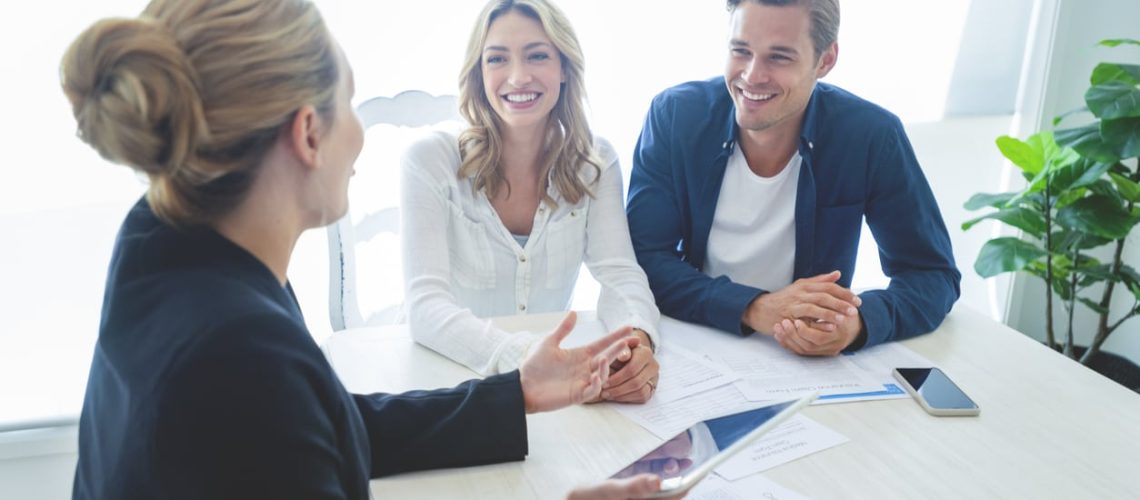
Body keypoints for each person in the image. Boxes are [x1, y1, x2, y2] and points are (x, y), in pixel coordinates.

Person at [61, 0, 673, 498]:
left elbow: (324, 426)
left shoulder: (166, 241)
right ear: (309, 134)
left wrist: (516, 392)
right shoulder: (239, 356)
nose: (359, 138)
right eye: (349, 104)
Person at [626, 0, 960, 356]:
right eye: (741, 51)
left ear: (825, 61)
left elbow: (932, 275)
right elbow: (642, 259)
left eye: (779, 57)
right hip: (694, 340)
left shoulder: (871, 135)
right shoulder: (676, 115)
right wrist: (755, 307)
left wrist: (858, 323)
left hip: (807, 363)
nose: (752, 75)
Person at [401, 0, 661, 403]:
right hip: (445, 380)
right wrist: (527, 358)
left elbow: (620, 275)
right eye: (497, 59)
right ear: (479, 74)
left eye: (537, 55)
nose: (518, 77)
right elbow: (426, 308)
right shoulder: (430, 161)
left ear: (564, 70)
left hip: (550, 392)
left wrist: (636, 341)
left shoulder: (596, 161)